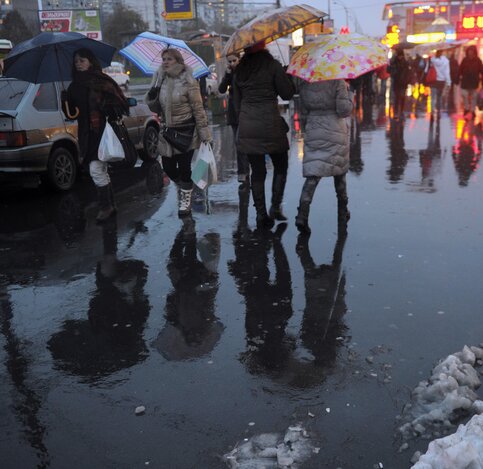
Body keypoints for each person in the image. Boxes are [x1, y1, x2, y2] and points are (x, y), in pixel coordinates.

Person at [61, 48, 129, 222]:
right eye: (76, 61)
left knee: (96, 169)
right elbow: (71, 115)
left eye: (82, 60)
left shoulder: (101, 81)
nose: (79, 64)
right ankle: (110, 205)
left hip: (103, 131)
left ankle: (105, 207)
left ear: (91, 62)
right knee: (100, 169)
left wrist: (107, 106)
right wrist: (65, 101)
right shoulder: (73, 86)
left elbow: (121, 104)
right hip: (86, 133)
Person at [233, 41, 295, 229]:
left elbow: (236, 103)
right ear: (264, 48)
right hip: (270, 124)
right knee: (281, 165)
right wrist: (287, 75)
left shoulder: (239, 70)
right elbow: (287, 94)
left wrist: (245, 120)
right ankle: (275, 207)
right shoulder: (273, 66)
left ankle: (260, 214)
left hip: (248, 125)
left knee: (258, 171)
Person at [144, 49, 211, 216]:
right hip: (167, 131)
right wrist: (153, 92)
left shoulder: (188, 79)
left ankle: (186, 200)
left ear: (178, 61)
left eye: (169, 59)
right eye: (164, 59)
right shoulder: (160, 78)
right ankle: (186, 187)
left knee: (184, 167)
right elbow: (155, 107)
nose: (165, 62)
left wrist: (204, 132)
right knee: (168, 167)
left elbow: (198, 107)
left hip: (186, 130)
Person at [294, 79, 353, 235]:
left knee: (314, 172)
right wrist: (350, 94)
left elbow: (304, 109)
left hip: (314, 128)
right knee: (339, 174)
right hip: (335, 129)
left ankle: (302, 214)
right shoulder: (337, 81)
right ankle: (342, 212)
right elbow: (344, 110)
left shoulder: (306, 81)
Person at [218, 53, 250, 184]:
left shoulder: (245, 72)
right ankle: (243, 171)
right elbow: (221, 89)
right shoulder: (230, 74)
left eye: (234, 60)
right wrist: (227, 76)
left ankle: (245, 170)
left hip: (245, 111)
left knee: (242, 142)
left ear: (239, 60)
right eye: (229, 61)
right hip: (233, 113)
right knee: (238, 143)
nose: (232, 63)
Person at [458, 45, 483, 117]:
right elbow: (460, 69)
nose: (470, 52)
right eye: (469, 51)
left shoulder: (478, 60)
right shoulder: (465, 60)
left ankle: (472, 110)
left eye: (472, 51)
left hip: (474, 82)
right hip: (465, 82)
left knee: (474, 97)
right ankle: (466, 108)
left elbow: (481, 70)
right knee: (464, 95)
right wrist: (458, 77)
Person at [388, 46, 410, 120]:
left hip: (403, 82)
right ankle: (396, 112)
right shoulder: (393, 61)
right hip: (396, 82)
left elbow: (408, 72)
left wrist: (408, 80)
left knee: (402, 97)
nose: (400, 57)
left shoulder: (405, 62)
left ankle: (401, 111)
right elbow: (388, 70)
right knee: (397, 98)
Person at [429, 50, 451, 117]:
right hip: (441, 81)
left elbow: (428, 69)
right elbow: (447, 72)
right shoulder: (446, 61)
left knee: (433, 97)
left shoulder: (432, 60)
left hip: (433, 80)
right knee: (439, 97)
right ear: (442, 53)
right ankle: (439, 111)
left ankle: (432, 111)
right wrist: (449, 82)